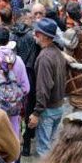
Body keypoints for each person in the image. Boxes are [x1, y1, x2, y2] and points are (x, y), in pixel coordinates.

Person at [27, 19, 69, 155]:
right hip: (58, 107)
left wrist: (36, 113)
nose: (35, 35)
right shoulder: (57, 52)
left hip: (48, 110)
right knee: (51, 147)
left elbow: (43, 89)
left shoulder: (44, 57)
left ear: (44, 36)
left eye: (37, 33)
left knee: (43, 150)